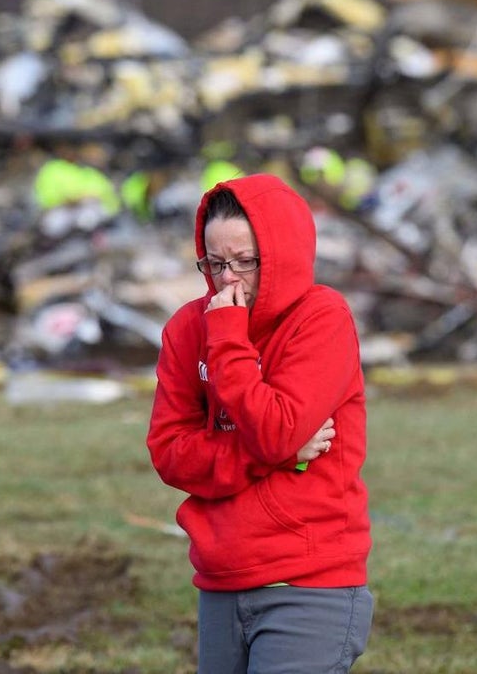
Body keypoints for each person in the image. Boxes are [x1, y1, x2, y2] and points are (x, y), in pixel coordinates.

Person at [146, 173, 373, 673]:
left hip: (310, 584)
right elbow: (170, 453)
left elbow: (275, 429)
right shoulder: (186, 328)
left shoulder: (322, 318)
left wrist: (228, 337)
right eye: (215, 263)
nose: (228, 280)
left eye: (246, 262)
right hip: (222, 580)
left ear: (282, 253)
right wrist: (273, 455)